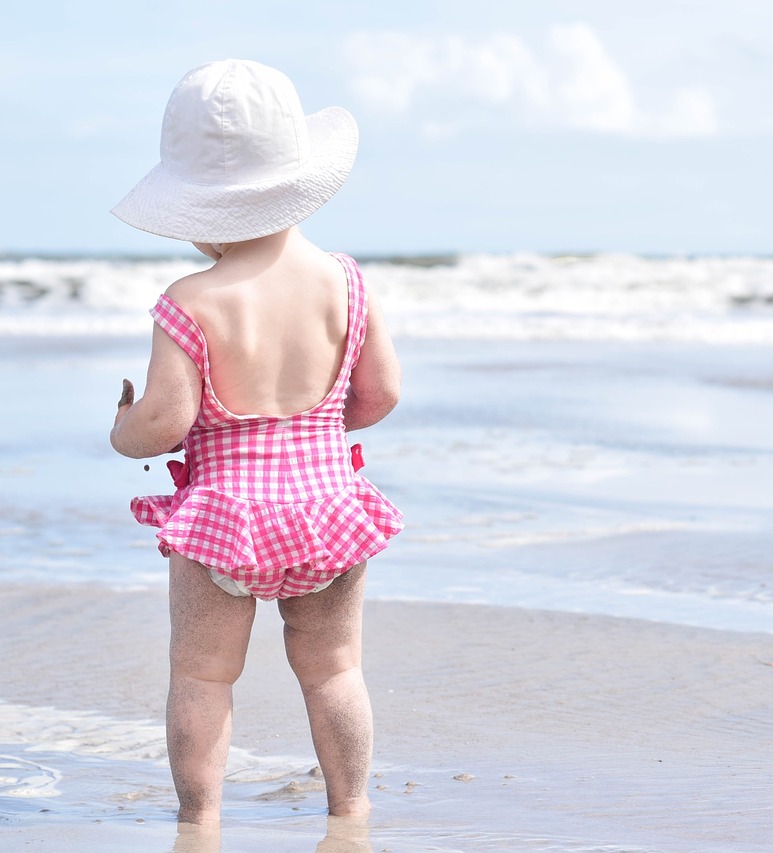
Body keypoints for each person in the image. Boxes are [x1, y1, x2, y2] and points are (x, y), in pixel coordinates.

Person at [108, 59, 403, 825]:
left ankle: (200, 818)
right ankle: (351, 807)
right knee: (335, 668)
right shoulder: (346, 282)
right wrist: (310, 432)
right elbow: (380, 395)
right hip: (327, 510)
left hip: (225, 519)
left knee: (202, 675)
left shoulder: (188, 302)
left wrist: (123, 428)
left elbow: (167, 420)